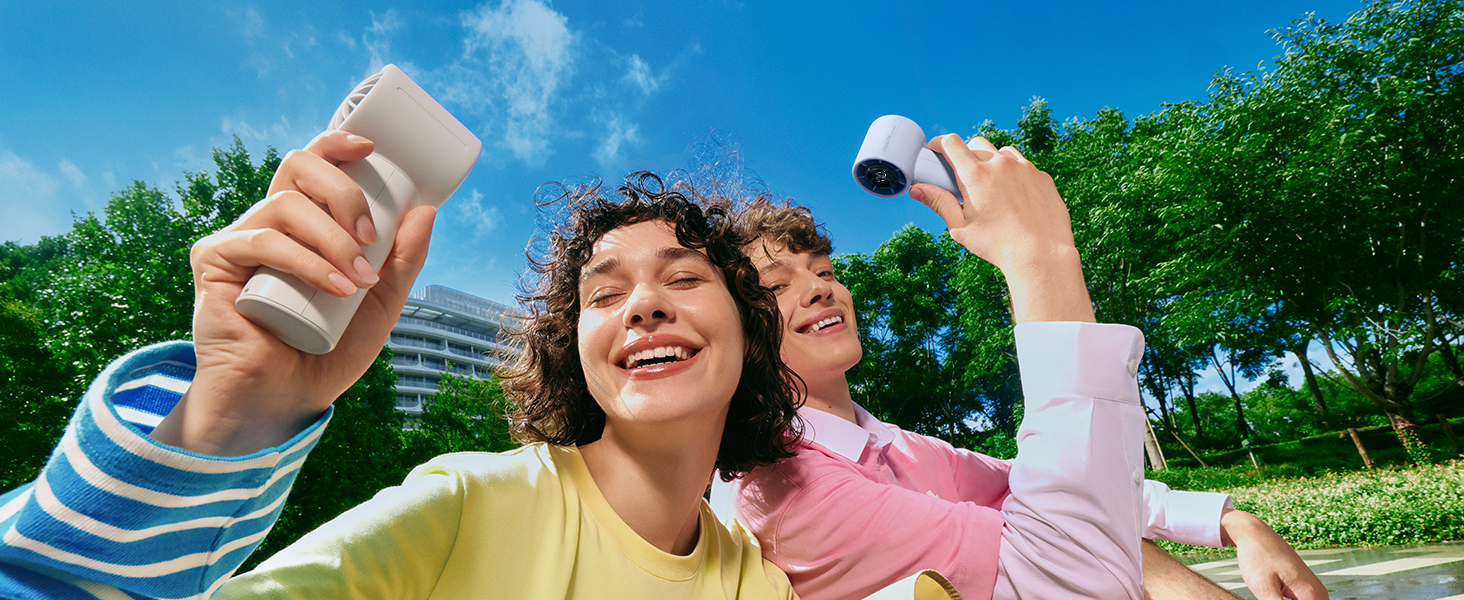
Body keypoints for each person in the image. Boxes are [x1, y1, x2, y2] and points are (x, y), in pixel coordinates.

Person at [0, 131, 956, 600]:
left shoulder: (752, 575)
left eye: (682, 278)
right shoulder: (469, 502)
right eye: (603, 292)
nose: (644, 304)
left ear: (751, 336)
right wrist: (221, 425)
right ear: (575, 353)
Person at [712, 135, 1328, 600]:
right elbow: (1070, 570)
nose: (821, 290)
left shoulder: (893, 445)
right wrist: (1039, 255)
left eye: (823, 271)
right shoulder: (782, 492)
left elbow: (1025, 486)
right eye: (775, 286)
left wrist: (1229, 519)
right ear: (735, 334)